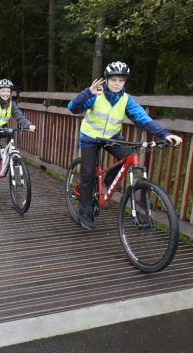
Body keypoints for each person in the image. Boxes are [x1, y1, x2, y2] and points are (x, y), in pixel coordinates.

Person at [67, 61, 182, 231]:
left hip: (111, 137)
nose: (117, 83)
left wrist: (165, 134)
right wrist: (86, 93)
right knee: (88, 174)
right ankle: (85, 214)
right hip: (90, 138)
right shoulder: (96, 94)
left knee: (128, 157)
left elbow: (143, 119)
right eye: (113, 79)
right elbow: (73, 108)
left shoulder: (126, 99)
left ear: (125, 82)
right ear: (106, 80)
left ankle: (108, 179)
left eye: (121, 80)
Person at [0, 79, 36, 190]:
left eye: (8, 91)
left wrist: (28, 125)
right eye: (3, 91)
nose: (5, 93)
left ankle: (10, 155)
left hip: (2, 129)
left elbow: (19, 115)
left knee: (11, 132)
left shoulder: (11, 103)